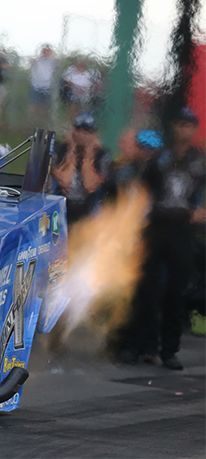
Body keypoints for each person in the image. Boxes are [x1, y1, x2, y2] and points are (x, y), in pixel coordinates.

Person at [118, 110, 205, 370]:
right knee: (146, 288)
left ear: (194, 129)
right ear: (174, 126)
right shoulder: (159, 159)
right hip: (156, 228)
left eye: (189, 125)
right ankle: (139, 345)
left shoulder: (199, 161)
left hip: (183, 230)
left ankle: (169, 350)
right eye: (180, 124)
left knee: (176, 292)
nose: (184, 129)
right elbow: (140, 188)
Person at [48, 113, 112, 224]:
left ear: (94, 134)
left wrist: (88, 156)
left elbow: (90, 186)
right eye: (78, 130)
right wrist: (71, 153)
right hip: (63, 206)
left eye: (87, 131)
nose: (82, 135)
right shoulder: (61, 150)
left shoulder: (102, 156)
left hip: (89, 207)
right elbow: (65, 183)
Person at [28, 44, 57, 126]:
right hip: (36, 86)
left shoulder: (52, 61)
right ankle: (31, 121)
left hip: (47, 87)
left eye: (48, 51)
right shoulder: (37, 60)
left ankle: (43, 121)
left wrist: (51, 55)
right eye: (44, 51)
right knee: (33, 104)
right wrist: (40, 55)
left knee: (45, 105)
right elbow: (31, 61)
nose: (46, 53)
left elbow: (57, 62)